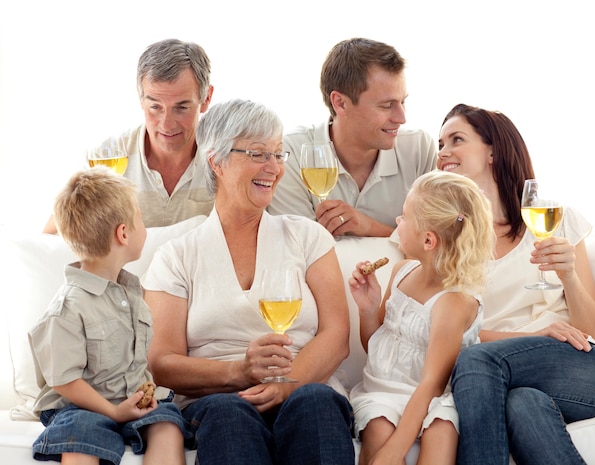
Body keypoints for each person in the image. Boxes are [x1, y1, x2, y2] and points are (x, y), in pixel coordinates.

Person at [142, 98, 355, 465]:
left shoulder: (308, 237)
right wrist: (238, 371)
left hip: (304, 388)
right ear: (217, 161)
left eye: (278, 154)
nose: (273, 167)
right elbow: (162, 362)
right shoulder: (177, 256)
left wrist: (283, 386)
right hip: (216, 401)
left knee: (316, 402)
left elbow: (336, 336)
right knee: (229, 415)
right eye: (258, 154)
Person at [438, 103, 595, 465]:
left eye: (456, 140)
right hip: (502, 378)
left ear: (493, 150)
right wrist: (534, 338)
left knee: (476, 359)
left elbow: (592, 332)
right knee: (524, 404)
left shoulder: (559, 220)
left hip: (581, 369)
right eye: (440, 143)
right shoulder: (446, 239)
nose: (443, 152)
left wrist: (568, 275)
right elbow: (447, 334)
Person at [28, 167, 191, 465]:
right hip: (78, 404)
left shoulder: (132, 292)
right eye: (141, 218)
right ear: (123, 233)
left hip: (129, 397)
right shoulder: (68, 307)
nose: (145, 226)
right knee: (81, 435)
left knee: (168, 426)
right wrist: (113, 411)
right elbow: (64, 382)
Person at [349, 171, 495, 465]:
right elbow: (378, 346)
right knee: (377, 431)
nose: (397, 223)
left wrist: (395, 451)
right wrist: (368, 308)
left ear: (428, 240)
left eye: (404, 217)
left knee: (441, 432)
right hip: (382, 389)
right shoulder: (401, 271)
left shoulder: (453, 303)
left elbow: (431, 383)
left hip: (434, 395)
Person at [267, 37, 437, 237]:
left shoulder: (419, 149)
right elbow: (296, 248)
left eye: (403, 102)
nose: (402, 118)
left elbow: (438, 245)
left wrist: (370, 227)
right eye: (386, 105)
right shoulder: (292, 152)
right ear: (340, 103)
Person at [43, 38, 214, 233]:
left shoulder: (223, 158)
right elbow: (51, 238)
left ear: (206, 98)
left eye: (181, 107)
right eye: (155, 107)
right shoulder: (106, 159)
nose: (166, 124)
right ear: (141, 99)